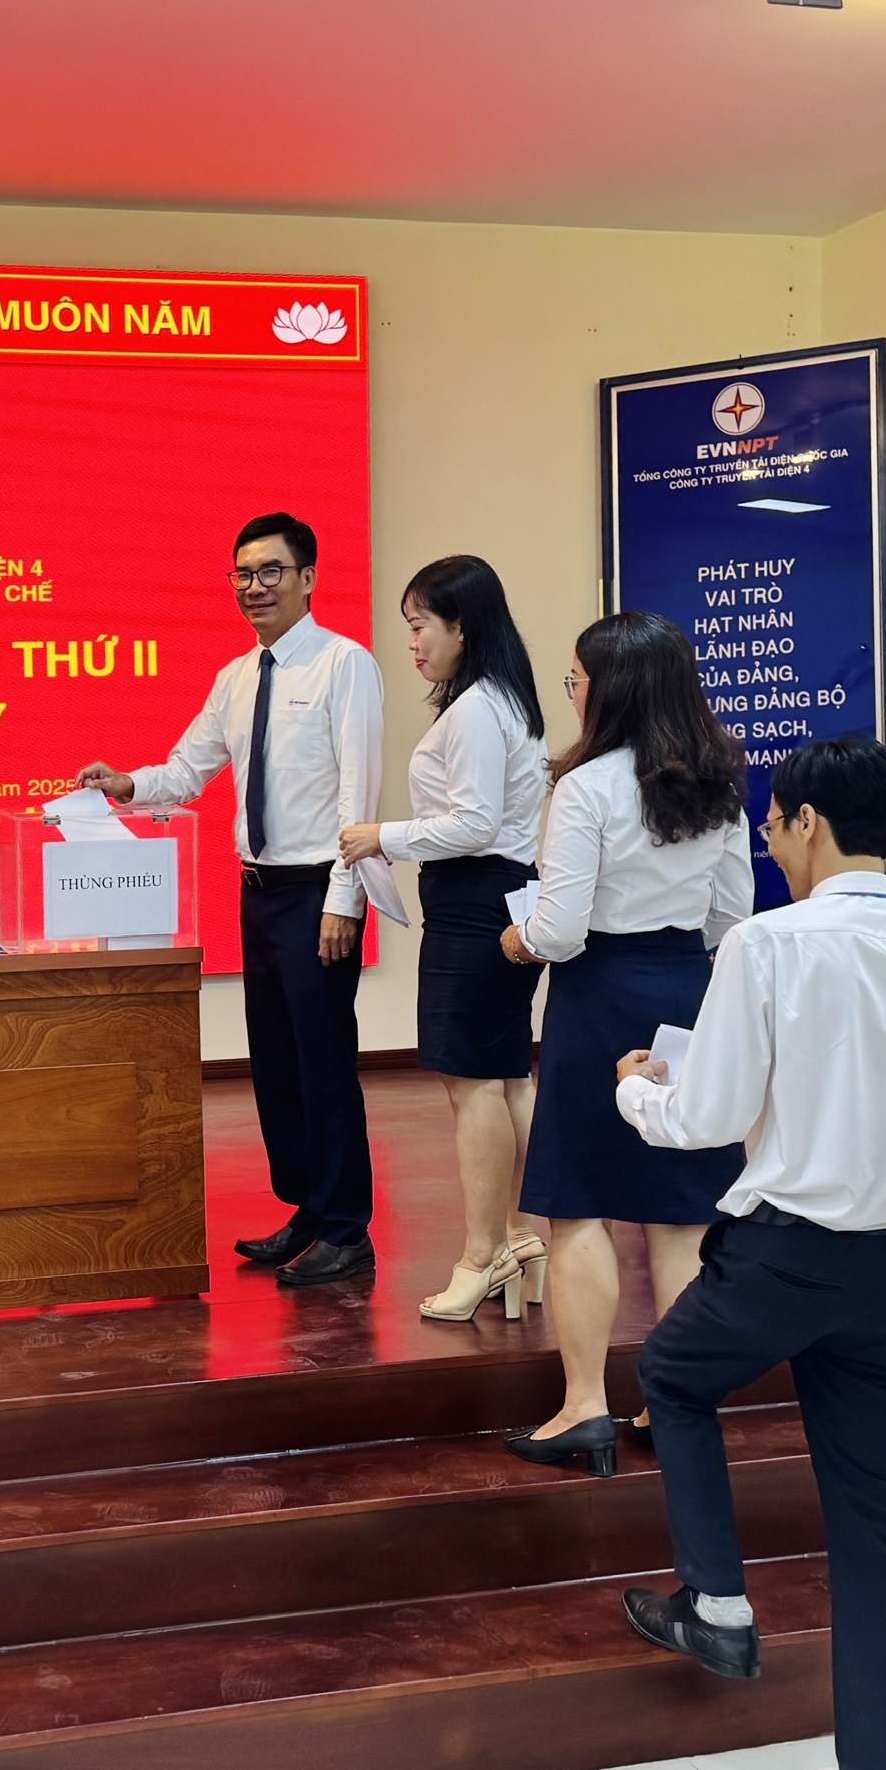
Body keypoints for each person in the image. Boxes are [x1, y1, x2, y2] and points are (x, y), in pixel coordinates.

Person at [614, 736, 886, 1770]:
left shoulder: (766, 944)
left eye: (773, 825)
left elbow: (709, 1114)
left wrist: (639, 1090)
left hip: (784, 1260)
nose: (771, 844)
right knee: (875, 1521)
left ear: (810, 822)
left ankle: (718, 1604)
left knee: (671, 1377)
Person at [77, 512, 383, 1287]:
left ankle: (348, 1229)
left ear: (308, 578)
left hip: (318, 891)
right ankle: (309, 1210)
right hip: (258, 892)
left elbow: (360, 791)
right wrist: (126, 784)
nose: (254, 587)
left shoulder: (344, 665)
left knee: (324, 1065)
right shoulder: (236, 677)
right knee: (277, 1065)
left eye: (271, 571)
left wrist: (345, 898)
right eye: (243, 574)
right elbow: (187, 771)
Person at [499, 611, 750, 1472]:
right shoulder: (717, 783)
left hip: (596, 997)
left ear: (610, 690)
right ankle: (671, 1407)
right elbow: (731, 915)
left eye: (576, 679)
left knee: (579, 1207)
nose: (573, 693)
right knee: (680, 1215)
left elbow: (561, 930)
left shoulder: (587, 787)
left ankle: (584, 1409)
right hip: (683, 993)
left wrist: (518, 939)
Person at [336, 555, 550, 1321]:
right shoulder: (498, 700)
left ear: (463, 625)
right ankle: (519, 1239)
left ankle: (481, 1256)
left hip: (474, 903)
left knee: (473, 1083)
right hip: (498, 896)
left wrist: (383, 836)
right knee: (505, 1077)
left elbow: (474, 823)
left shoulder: (478, 709)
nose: (413, 643)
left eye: (420, 625)